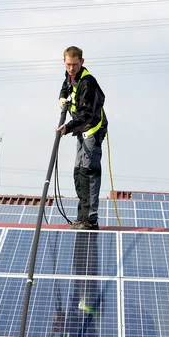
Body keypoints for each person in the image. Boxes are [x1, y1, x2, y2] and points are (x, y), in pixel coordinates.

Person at [56, 45, 107, 230]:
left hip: (92, 130)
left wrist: (67, 127)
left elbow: (86, 114)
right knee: (78, 173)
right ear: (64, 62)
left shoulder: (88, 82)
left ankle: (90, 220)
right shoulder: (70, 76)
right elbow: (65, 87)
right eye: (68, 64)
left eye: (75, 65)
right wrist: (62, 98)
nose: (71, 68)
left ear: (82, 62)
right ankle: (81, 217)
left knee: (88, 173)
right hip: (81, 130)